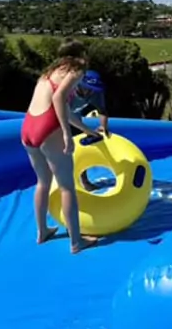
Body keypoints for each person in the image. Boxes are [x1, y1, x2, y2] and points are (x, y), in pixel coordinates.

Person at [21, 40, 100, 253]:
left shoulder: (50, 74)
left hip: (28, 128)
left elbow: (63, 107)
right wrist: (66, 134)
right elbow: (58, 98)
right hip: (48, 128)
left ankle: (42, 231)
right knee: (67, 187)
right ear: (80, 56)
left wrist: (86, 129)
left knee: (42, 183)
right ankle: (76, 242)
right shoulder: (77, 70)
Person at [69, 70, 110, 190]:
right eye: (87, 88)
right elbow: (62, 114)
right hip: (57, 120)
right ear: (79, 84)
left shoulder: (95, 93)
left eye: (92, 89)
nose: (89, 91)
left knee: (80, 150)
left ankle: (84, 182)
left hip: (75, 120)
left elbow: (102, 111)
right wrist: (87, 130)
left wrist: (103, 126)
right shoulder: (69, 91)